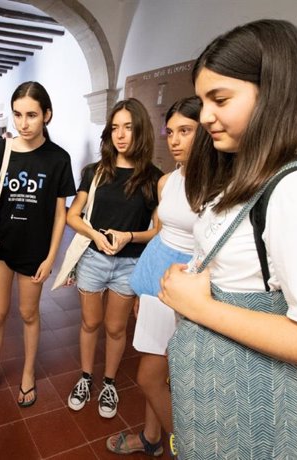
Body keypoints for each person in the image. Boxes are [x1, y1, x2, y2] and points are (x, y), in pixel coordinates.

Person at [159, 19, 297, 458]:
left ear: (273, 90)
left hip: (273, 426)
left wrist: (200, 306)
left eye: (219, 99)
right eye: (203, 100)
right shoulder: (259, 167)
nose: (204, 116)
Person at [106, 96, 201, 457]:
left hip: (187, 287)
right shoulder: (168, 182)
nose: (175, 140)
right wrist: (143, 291)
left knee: (153, 375)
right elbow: (162, 235)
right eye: (171, 131)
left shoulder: (217, 186)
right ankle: (151, 438)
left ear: (204, 133)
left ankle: (189, 448)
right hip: (156, 281)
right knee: (154, 373)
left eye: (186, 131)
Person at [0, 81, 76, 408]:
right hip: (1, 247)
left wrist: (52, 258)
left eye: (32, 115)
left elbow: (61, 215)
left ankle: (28, 373)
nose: (23, 123)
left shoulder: (58, 159)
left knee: (28, 313)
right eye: (18, 114)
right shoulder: (2, 151)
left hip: (35, 250)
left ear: (46, 115)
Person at [67, 98, 163, 419]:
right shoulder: (95, 172)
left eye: (129, 127)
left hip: (129, 263)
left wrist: (129, 237)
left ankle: (108, 382)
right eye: (115, 127)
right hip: (93, 259)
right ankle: (85, 377)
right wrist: (95, 234)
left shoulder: (153, 178)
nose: (121, 135)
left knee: (115, 327)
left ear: (141, 132)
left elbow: (158, 231)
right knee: (90, 322)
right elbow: (72, 216)